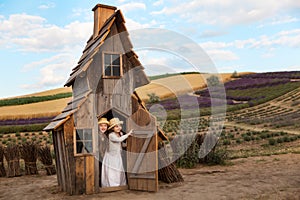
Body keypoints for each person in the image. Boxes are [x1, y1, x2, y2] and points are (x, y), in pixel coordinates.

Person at [101, 118, 133, 187]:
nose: (119, 128)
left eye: (119, 126)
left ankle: (120, 184)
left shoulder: (120, 134)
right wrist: (128, 135)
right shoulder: (111, 135)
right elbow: (118, 140)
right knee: (112, 171)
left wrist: (128, 144)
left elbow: (120, 144)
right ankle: (112, 185)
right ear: (112, 128)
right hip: (111, 156)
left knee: (119, 170)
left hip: (117, 156)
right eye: (116, 126)